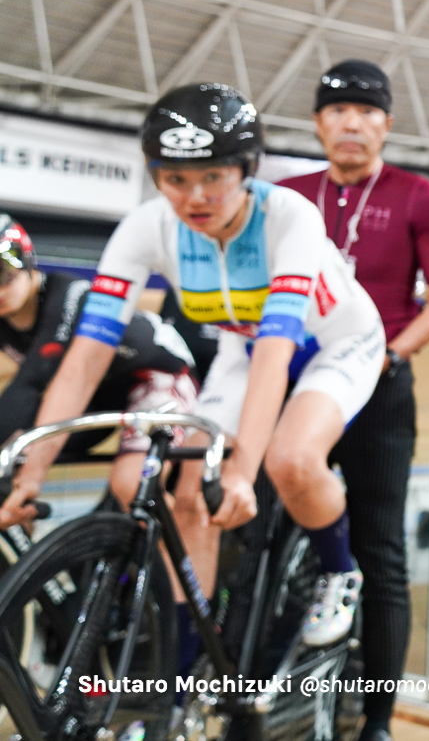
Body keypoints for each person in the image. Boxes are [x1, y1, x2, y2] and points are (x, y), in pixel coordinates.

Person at [0, 84, 386, 655]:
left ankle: (337, 570)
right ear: (155, 175)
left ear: (246, 170)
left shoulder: (290, 218)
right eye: (175, 179)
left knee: (290, 459)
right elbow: (84, 361)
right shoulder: (145, 228)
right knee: (187, 498)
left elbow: (278, 353)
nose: (194, 197)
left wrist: (242, 470)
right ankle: (177, 686)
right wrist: (30, 471)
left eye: (213, 176)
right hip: (244, 347)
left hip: (334, 342)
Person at [277, 60, 429, 741]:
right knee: (273, 532)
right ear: (319, 123)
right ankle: (264, 695)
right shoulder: (288, 194)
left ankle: (377, 720)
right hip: (298, 385)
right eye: (336, 110)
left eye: (366, 110)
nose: (351, 122)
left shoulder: (418, 196)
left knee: (380, 550)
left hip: (379, 385)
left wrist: (392, 352)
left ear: (385, 122)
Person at [0, 214, 200, 503]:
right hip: (99, 394)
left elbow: (30, 382)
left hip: (159, 378)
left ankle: (170, 542)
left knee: (131, 487)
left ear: (27, 257)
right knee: (17, 466)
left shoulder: (67, 295)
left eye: (2, 272)